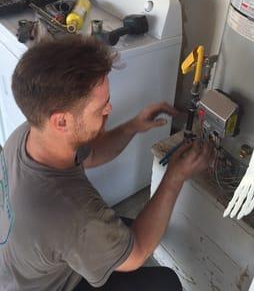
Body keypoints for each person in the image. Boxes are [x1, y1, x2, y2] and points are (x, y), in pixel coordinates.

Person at [0, 35, 214, 291]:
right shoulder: (73, 213)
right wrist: (174, 177)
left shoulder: (27, 135)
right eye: (100, 107)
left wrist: (132, 127)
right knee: (165, 282)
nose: (109, 109)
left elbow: (91, 154)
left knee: (126, 229)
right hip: (48, 285)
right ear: (61, 122)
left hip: (24, 266)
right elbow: (137, 254)